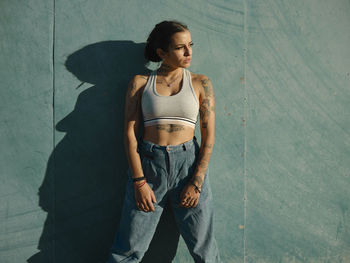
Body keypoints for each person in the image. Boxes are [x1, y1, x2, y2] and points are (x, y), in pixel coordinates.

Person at [107, 20, 221, 263]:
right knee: (127, 250)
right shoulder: (140, 83)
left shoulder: (201, 83)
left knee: (205, 251)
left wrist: (197, 182)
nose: (189, 52)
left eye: (190, 45)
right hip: (149, 166)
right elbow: (129, 134)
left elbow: (209, 135)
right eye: (181, 48)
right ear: (162, 53)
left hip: (188, 165)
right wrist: (139, 183)